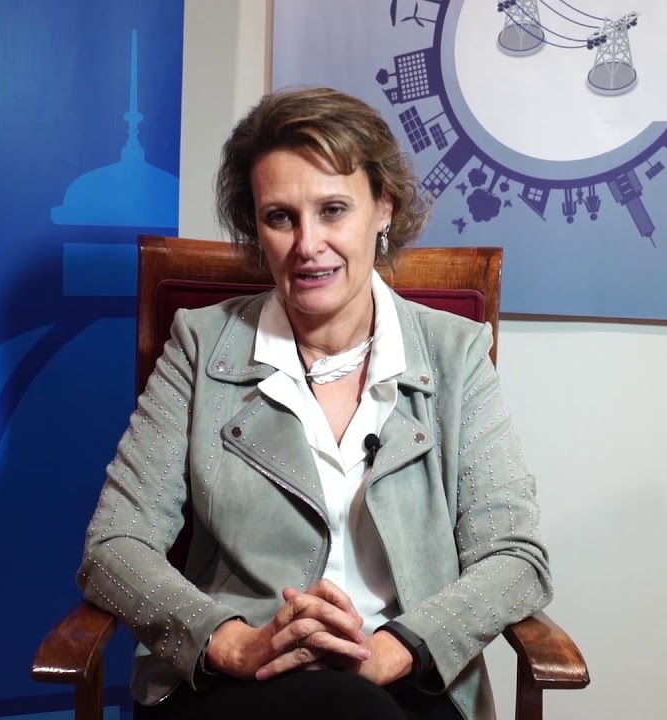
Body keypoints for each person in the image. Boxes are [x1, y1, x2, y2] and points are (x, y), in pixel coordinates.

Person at [76, 87, 551, 720]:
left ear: (384, 207)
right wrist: (229, 642)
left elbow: (515, 558)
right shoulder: (201, 344)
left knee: (354, 704)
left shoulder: (456, 354)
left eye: (333, 210)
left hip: (409, 673)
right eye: (281, 217)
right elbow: (113, 546)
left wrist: (395, 649)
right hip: (240, 678)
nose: (307, 244)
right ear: (256, 228)